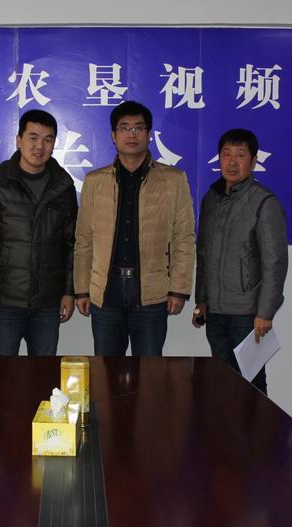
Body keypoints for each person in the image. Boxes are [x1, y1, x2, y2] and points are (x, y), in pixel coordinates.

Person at [74, 100, 195, 356]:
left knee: (149, 371)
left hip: (151, 290)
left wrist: (179, 289)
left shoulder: (173, 180)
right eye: (124, 128)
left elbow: (183, 238)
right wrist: (82, 289)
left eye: (138, 128)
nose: (132, 134)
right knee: (106, 370)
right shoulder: (95, 182)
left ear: (148, 134)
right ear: (113, 136)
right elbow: (84, 239)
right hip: (106, 290)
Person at [0, 110, 78, 356]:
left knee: (43, 372)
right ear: (18, 140)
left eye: (48, 139)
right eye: (33, 137)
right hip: (5, 300)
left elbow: (71, 244)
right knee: (2, 372)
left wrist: (69, 291)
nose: (40, 146)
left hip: (48, 302)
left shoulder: (63, 186)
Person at [192, 128, 289, 395]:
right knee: (222, 379)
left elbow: (275, 262)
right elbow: (204, 253)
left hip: (247, 313)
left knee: (252, 381)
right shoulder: (211, 198)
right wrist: (202, 300)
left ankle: (259, 425)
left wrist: (265, 312)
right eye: (226, 154)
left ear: (253, 161)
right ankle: (225, 423)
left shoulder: (264, 202)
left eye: (240, 155)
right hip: (215, 311)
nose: (232, 162)